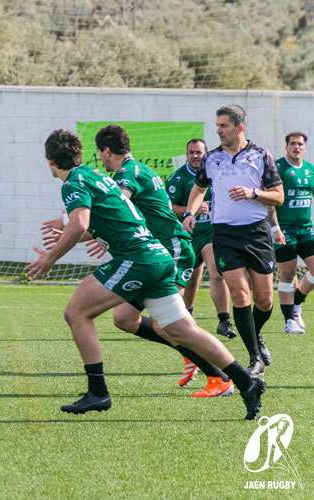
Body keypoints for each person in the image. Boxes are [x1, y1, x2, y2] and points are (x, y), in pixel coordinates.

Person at [27, 129, 264, 419]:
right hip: (157, 256)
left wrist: (50, 258)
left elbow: (79, 223)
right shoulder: (95, 176)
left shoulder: (74, 182)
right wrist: (87, 235)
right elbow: (104, 219)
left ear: (50, 161)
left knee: (76, 313)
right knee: (180, 330)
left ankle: (98, 392)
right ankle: (246, 382)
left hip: (138, 258)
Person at [90, 125, 233, 397]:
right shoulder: (138, 169)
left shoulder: (128, 173)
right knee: (124, 318)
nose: (101, 159)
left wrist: (83, 227)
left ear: (107, 151)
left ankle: (219, 375)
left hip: (172, 249)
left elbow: (118, 207)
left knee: (170, 326)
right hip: (156, 253)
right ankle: (193, 355)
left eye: (100, 153)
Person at [183, 105, 284, 376]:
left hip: (256, 233)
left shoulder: (261, 156)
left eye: (224, 126)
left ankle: (256, 334)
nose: (218, 130)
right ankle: (254, 358)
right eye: (217, 126)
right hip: (225, 234)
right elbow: (198, 188)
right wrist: (191, 212)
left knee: (264, 301)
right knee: (240, 294)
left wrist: (253, 193)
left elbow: (278, 196)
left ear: (240, 127)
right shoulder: (211, 158)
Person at [166, 139, 236, 341]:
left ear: (206, 154)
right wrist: (191, 210)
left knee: (217, 272)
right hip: (188, 235)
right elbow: (168, 208)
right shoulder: (177, 178)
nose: (195, 156)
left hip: (211, 233)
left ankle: (224, 320)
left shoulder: (216, 173)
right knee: (190, 278)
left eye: (199, 152)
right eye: (192, 152)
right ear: (187, 154)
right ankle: (186, 317)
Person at [270, 132, 314, 335]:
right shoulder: (278, 169)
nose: (297, 147)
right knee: (287, 275)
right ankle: (289, 320)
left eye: (300, 144)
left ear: (304, 148)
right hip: (285, 230)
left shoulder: (309, 169)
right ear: (287, 146)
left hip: (306, 229)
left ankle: (297, 302)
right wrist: (275, 228)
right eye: (293, 144)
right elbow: (271, 202)